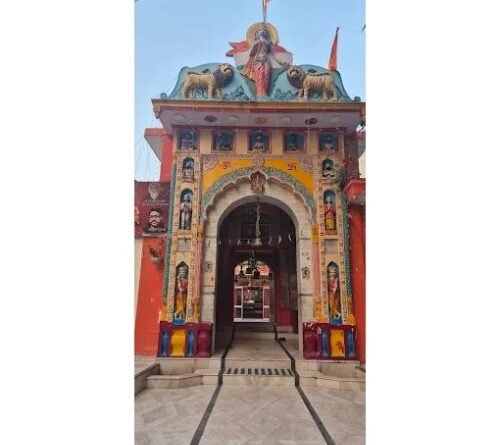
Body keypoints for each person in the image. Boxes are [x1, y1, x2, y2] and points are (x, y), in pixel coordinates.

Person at [241, 27, 273, 97]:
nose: (262, 33)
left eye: (264, 32)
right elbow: (251, 53)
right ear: (257, 34)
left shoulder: (268, 43)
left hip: (266, 61)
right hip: (257, 61)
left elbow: (272, 53)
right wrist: (257, 43)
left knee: (266, 75)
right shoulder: (256, 42)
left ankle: (264, 93)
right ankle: (259, 93)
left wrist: (280, 62)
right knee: (259, 75)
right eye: (260, 32)